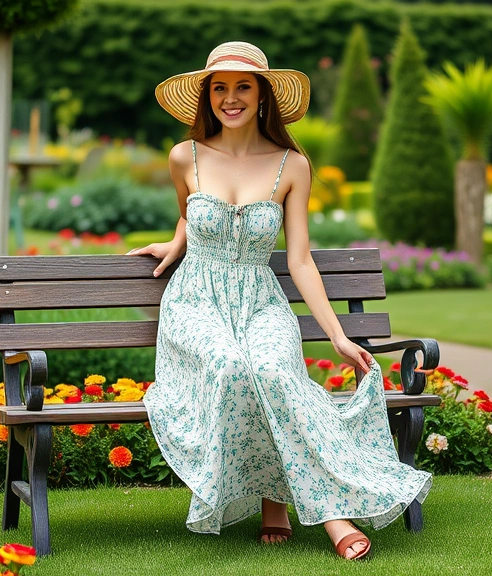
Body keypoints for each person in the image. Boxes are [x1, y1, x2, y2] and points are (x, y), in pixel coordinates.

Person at [126, 41, 431, 561]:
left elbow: (300, 260)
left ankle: (290, 502)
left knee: (268, 368)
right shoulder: (186, 156)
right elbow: (190, 213)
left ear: (263, 95)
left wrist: (337, 335)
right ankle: (320, 515)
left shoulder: (292, 165)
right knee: (228, 365)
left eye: (242, 86)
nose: (230, 98)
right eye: (219, 88)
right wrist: (178, 242)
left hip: (261, 300)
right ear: (207, 97)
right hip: (196, 301)